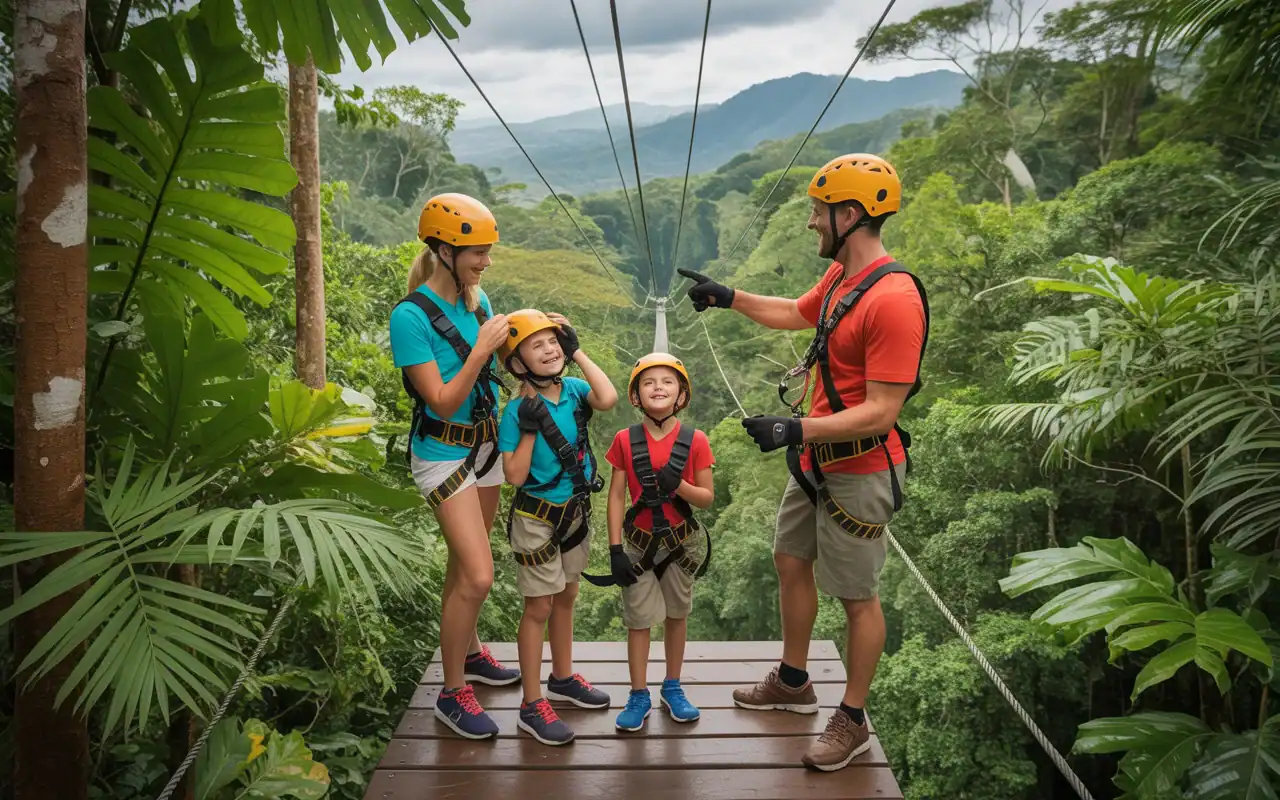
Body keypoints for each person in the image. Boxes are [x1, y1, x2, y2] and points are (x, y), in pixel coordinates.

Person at [677, 153, 929, 772]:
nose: (811, 223)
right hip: (817, 459)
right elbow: (796, 313)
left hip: (862, 467)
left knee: (857, 596)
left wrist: (795, 426)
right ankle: (794, 683)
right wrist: (729, 297)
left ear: (850, 215)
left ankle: (852, 718)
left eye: (819, 212)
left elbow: (881, 412)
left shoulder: (893, 299)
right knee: (789, 560)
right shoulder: (845, 280)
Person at [390, 193, 521, 741]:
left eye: (487, 252)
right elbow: (441, 399)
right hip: (441, 454)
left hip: (483, 447)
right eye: (476, 252)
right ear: (443, 249)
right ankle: (451, 694)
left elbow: (495, 361)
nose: (485, 262)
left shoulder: (478, 300)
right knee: (479, 575)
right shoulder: (410, 317)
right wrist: (480, 348)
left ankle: (468, 655)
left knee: (463, 563)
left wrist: (535, 333)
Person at [497, 308, 618, 746]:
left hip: (574, 512)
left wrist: (578, 350)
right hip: (536, 517)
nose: (549, 350)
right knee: (539, 608)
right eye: (538, 345)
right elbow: (514, 475)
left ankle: (562, 678)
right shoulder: (515, 412)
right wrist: (529, 430)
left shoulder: (573, 390)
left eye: (553, 342)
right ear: (516, 362)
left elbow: (607, 399)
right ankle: (531, 704)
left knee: (567, 595)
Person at [597, 353, 715, 733]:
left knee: (677, 616)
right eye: (649, 383)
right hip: (638, 544)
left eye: (667, 382)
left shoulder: (694, 440)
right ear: (636, 396)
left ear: (681, 395)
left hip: (680, 544)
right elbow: (616, 496)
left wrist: (677, 485)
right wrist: (615, 549)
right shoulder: (625, 440)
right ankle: (638, 692)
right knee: (639, 620)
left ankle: (673, 686)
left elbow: (706, 497)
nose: (658, 388)